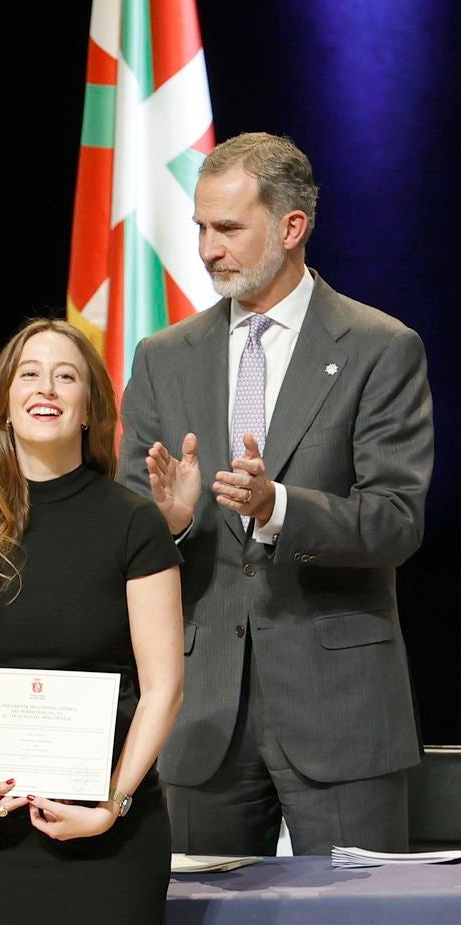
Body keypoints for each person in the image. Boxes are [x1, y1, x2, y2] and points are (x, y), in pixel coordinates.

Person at [120, 132, 433, 856]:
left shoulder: (380, 347)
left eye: (227, 227)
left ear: (292, 227)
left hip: (343, 713)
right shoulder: (164, 358)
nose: (206, 248)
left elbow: (396, 520)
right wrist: (162, 523)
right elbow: (130, 526)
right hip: (202, 718)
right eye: (200, 226)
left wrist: (278, 508)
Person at [0, 318, 183, 923]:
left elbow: (163, 688)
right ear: (5, 405)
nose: (47, 388)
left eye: (67, 377)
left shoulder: (135, 522)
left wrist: (112, 805)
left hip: (108, 834)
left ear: (89, 408)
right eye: (29, 375)